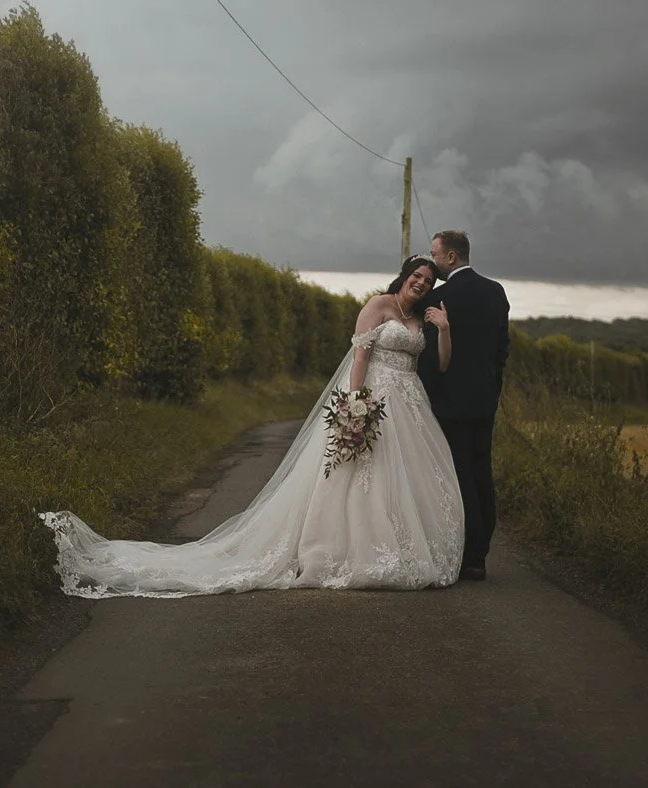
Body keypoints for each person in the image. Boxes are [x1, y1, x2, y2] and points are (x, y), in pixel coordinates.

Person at [38, 256, 464, 598]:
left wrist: (443, 330)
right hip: (372, 397)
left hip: (410, 405)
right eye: (416, 276)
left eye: (428, 279)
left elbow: (442, 365)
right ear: (404, 276)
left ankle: (398, 550)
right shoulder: (378, 305)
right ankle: (341, 550)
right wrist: (356, 403)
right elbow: (359, 356)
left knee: (402, 478)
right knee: (356, 473)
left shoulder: (424, 320)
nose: (421, 283)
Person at [417, 230, 511, 581]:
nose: (433, 260)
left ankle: (471, 556)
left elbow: (430, 358)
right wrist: (493, 388)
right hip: (485, 399)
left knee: (459, 475)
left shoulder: (439, 297)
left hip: (450, 401)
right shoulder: (495, 291)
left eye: (435, 254)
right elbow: (503, 347)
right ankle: (481, 549)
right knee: (481, 470)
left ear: (451, 257)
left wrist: (429, 394)